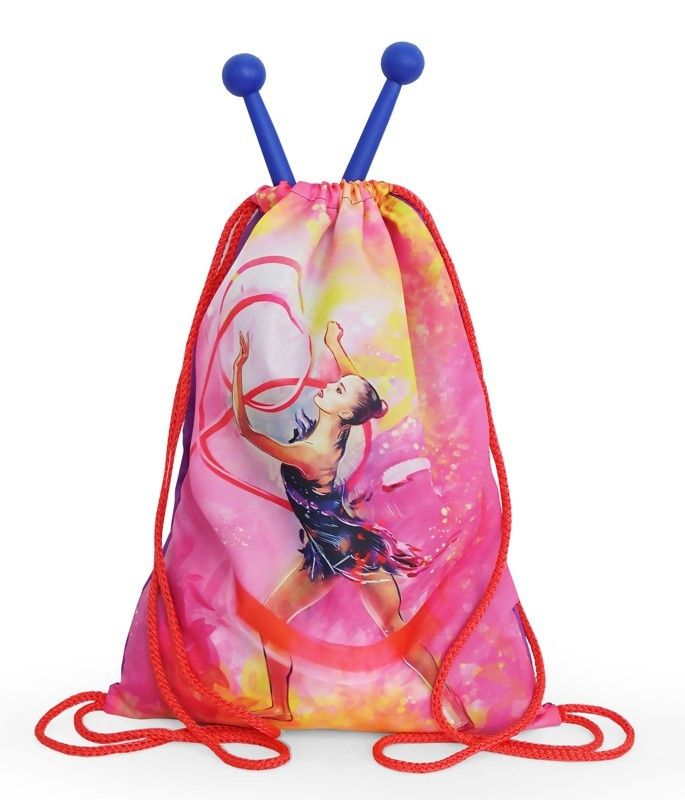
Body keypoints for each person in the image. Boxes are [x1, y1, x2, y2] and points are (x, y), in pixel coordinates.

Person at [232, 321, 470, 727]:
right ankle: (282, 706)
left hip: (341, 549)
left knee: (385, 627)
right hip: (337, 544)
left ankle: (448, 701)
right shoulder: (341, 425)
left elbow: (245, 429)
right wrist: (334, 345)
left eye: (338, 389)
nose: (331, 384)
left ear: (344, 411)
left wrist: (239, 369)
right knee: (387, 625)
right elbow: (363, 398)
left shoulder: (312, 452)